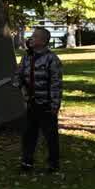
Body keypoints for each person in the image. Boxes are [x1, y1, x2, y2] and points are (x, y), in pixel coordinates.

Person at [12, 27, 63, 174]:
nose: (30, 39)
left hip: (46, 104)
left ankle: (53, 164)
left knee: (50, 136)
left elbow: (56, 85)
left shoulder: (52, 59)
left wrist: (54, 106)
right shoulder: (27, 57)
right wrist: (19, 86)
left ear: (42, 41)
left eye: (34, 37)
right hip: (31, 103)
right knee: (28, 134)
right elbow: (18, 74)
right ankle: (27, 162)